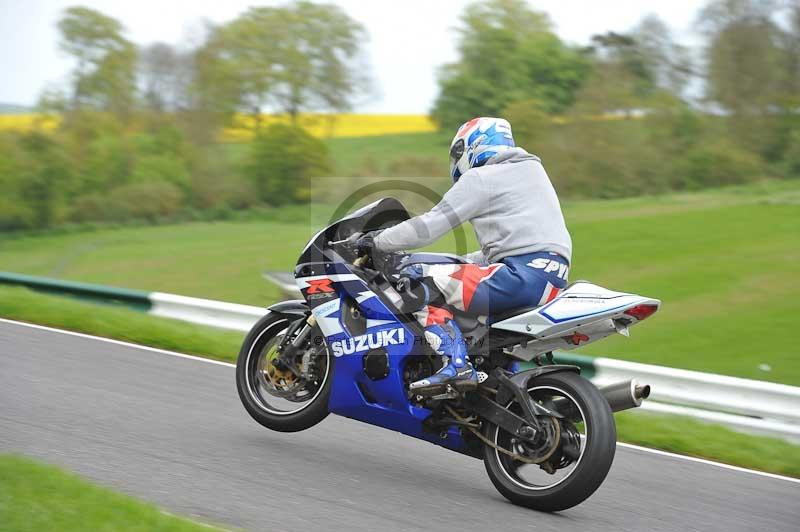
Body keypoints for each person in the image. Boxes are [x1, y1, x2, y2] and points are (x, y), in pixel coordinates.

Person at [359, 117, 572, 396]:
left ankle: (456, 364)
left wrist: (376, 241)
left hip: (517, 278)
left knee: (412, 278)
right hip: (550, 279)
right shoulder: (532, 172)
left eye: (458, 152)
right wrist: (455, 261)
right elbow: (505, 249)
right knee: (449, 278)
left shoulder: (483, 178)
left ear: (475, 145)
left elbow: (428, 227)